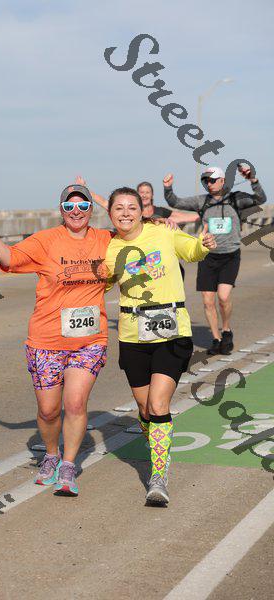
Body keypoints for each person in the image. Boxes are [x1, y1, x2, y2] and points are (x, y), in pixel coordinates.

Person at [0, 184, 112, 497]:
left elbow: (134, 226)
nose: (76, 212)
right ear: (61, 210)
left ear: (91, 210)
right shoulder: (46, 241)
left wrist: (161, 221)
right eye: (69, 207)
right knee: (48, 411)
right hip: (46, 339)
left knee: (75, 403)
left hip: (89, 340)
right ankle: (52, 454)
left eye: (83, 206)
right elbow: (10, 258)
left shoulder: (106, 239)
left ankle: (68, 465)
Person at [104, 187, 216, 504]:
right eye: (119, 208)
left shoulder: (164, 232)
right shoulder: (110, 247)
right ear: (110, 214)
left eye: (132, 207)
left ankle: (158, 476)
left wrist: (203, 244)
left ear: (142, 211)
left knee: (157, 405)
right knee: (144, 410)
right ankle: (159, 446)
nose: (126, 213)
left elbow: (191, 250)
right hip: (132, 335)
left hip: (172, 332)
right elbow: (102, 282)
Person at [163, 165, 267, 355]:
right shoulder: (202, 201)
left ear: (222, 181)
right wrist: (168, 187)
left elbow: (260, 198)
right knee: (207, 301)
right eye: (206, 181)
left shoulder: (235, 199)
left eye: (212, 180)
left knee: (223, 297)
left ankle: (226, 330)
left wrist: (253, 179)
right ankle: (216, 339)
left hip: (230, 255)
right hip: (208, 256)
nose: (209, 184)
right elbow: (175, 202)